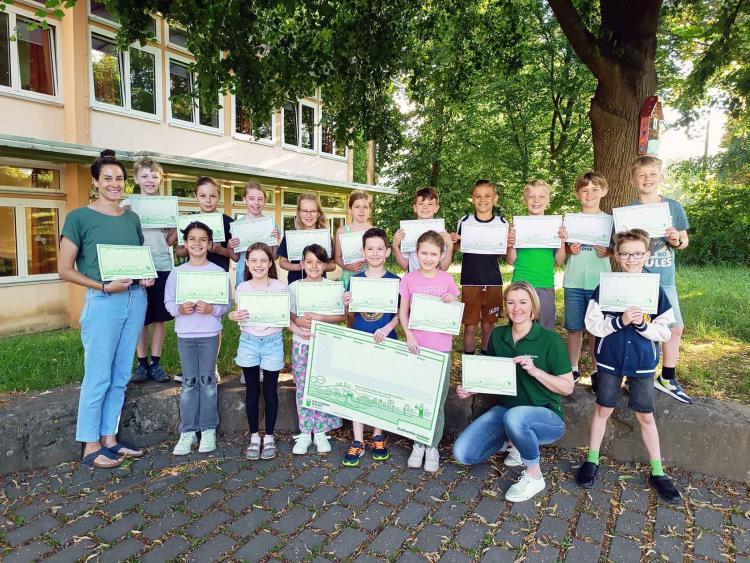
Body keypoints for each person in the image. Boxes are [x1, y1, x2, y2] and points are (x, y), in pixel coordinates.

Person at [58, 149, 150, 468]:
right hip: (103, 299)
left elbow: (139, 258)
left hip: (135, 298)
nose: (114, 184)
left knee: (121, 372)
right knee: (98, 374)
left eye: (120, 179)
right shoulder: (79, 218)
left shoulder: (132, 218)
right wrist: (102, 286)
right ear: (95, 182)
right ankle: (90, 444)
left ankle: (110, 438)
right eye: (107, 178)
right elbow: (64, 269)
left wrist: (145, 277)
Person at [576, 229, 681, 502]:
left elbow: (665, 331)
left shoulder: (654, 290)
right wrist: (619, 322)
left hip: (642, 362)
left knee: (645, 415)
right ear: (617, 256)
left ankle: (658, 471)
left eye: (637, 254)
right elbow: (592, 323)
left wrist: (643, 325)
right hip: (610, 358)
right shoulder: (606, 287)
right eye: (625, 254)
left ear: (646, 255)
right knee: (604, 408)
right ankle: (592, 459)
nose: (631, 259)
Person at [453, 281, 574, 502]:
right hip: (506, 412)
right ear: (505, 306)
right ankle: (515, 441)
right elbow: (491, 375)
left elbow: (567, 387)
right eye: (511, 302)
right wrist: (472, 388)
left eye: (522, 302)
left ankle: (535, 475)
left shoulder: (550, 340)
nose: (516, 308)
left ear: (533, 307)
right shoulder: (498, 336)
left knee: (516, 417)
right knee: (463, 454)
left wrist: (536, 371)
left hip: (545, 416)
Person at [164, 221, 232, 455]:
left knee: (207, 381)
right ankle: (188, 431)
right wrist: (179, 310)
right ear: (185, 243)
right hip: (185, 334)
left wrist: (211, 309)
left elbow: (226, 304)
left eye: (203, 239)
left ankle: (208, 429)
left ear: (210, 244)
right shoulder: (177, 273)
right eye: (192, 239)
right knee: (189, 383)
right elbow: (169, 303)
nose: (197, 243)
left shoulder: (217, 272)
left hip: (209, 334)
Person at [628, 156, 691, 404]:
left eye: (652, 174)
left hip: (665, 279)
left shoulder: (673, 207)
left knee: (675, 327)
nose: (647, 179)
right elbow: (622, 245)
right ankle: (640, 375)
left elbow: (684, 242)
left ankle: (667, 376)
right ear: (634, 180)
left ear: (661, 177)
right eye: (642, 175)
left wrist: (676, 239)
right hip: (639, 279)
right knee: (641, 328)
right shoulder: (629, 211)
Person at [399, 231, 460, 473]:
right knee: (417, 396)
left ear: (442, 255)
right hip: (417, 346)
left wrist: (451, 300)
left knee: (438, 399)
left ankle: (432, 445)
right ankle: (418, 442)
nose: (428, 258)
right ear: (416, 253)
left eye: (433, 254)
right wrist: (410, 335)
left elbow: (456, 308)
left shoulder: (446, 279)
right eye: (423, 253)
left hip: (441, 348)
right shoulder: (409, 280)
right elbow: (403, 312)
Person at [340, 228, 400, 467]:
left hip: (385, 341)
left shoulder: (396, 281)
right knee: (359, 388)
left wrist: (387, 329)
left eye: (379, 248)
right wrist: (346, 305)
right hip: (361, 342)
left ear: (387, 252)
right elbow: (351, 316)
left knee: (380, 388)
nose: (375, 253)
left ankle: (377, 435)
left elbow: (401, 314)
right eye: (369, 248)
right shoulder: (355, 281)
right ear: (363, 252)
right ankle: (357, 439)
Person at [174, 177, 238, 383]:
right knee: (190, 317)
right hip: (191, 277)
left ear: (219, 196)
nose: (208, 200)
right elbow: (179, 250)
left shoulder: (228, 222)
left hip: (216, 277)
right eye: (203, 196)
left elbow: (235, 254)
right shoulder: (189, 222)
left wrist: (218, 248)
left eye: (212, 196)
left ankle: (212, 366)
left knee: (213, 320)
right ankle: (190, 367)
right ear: (196, 197)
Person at [228, 243, 287, 460]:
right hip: (249, 342)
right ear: (247, 263)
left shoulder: (280, 288)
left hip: (272, 342)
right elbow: (239, 315)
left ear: (270, 263)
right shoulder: (243, 288)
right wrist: (232, 316)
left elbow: (285, 316)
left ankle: (269, 437)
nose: (258, 265)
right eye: (254, 260)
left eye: (263, 260)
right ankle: (254, 437)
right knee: (252, 391)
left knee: (270, 392)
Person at [288, 244, 345, 454]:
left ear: (326, 265)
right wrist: (297, 320)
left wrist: (321, 318)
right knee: (302, 387)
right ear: (302, 263)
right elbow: (288, 314)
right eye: (309, 261)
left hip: (325, 343)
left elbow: (341, 316)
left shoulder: (333, 288)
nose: (314, 266)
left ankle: (320, 431)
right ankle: (305, 432)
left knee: (321, 386)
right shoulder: (294, 287)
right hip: (302, 344)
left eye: (319, 262)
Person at [126, 158, 176, 384]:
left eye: (154, 176)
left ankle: (156, 363)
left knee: (159, 318)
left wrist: (175, 226)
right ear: (135, 178)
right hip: (137, 267)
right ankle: (142, 363)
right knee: (139, 318)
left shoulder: (167, 206)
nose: (150, 180)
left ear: (160, 179)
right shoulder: (127, 205)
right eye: (145, 176)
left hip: (162, 265)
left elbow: (170, 241)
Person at [227, 181, 280, 384]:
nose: (255, 203)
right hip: (245, 273)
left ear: (264, 201)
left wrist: (278, 238)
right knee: (247, 316)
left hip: (266, 274)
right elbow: (234, 257)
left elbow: (273, 255)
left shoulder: (271, 224)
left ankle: (267, 364)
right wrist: (232, 246)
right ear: (244, 200)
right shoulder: (238, 225)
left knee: (264, 313)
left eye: (260, 199)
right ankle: (250, 365)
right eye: (251, 198)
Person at [562, 172, 612, 383]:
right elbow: (561, 251)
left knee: (596, 328)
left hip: (600, 283)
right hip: (573, 281)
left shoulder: (610, 221)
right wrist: (568, 248)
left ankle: (596, 369)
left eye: (594, 189)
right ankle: (572, 368)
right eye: (584, 190)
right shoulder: (570, 220)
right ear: (577, 194)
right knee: (574, 328)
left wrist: (607, 252)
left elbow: (619, 249)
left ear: (604, 191)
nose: (589, 194)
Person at [450, 179, 510, 356]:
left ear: (495, 198)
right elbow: (456, 249)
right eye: (478, 196)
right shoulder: (465, 221)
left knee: (488, 326)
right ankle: (468, 366)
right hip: (470, 281)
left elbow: (505, 255)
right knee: (469, 326)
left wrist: (509, 244)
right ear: (472, 199)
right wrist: (453, 242)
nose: (482, 200)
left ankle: (486, 363)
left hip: (493, 281)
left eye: (487, 196)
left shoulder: (503, 223)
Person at [506, 180, 567, 330]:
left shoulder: (555, 227)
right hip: (520, 284)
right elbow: (510, 260)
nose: (536, 201)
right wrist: (511, 243)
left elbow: (559, 262)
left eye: (541, 197)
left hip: (545, 285)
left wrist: (562, 242)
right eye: (531, 197)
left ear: (548, 200)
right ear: (525, 200)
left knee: (545, 330)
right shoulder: (517, 226)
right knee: (519, 328)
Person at [278, 193, 336, 284]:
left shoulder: (325, 236)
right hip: (296, 284)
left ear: (318, 213)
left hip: (319, 284)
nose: (309, 215)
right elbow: (282, 262)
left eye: (313, 211)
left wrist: (318, 266)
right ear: (298, 212)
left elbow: (332, 265)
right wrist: (299, 266)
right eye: (304, 211)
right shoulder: (291, 236)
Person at [392, 187, 453, 273]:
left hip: (436, 283)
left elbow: (444, 267)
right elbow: (404, 266)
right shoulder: (407, 231)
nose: (425, 207)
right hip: (414, 282)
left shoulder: (442, 232)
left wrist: (450, 246)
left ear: (437, 208)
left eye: (430, 204)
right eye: (421, 204)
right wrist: (395, 246)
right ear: (415, 208)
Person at [334, 190, 373, 291]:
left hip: (369, 278)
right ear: (350, 210)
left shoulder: (375, 231)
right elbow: (337, 258)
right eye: (357, 207)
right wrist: (347, 266)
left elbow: (382, 258)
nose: (362, 210)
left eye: (365, 207)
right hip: (348, 277)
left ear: (370, 210)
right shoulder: (342, 231)